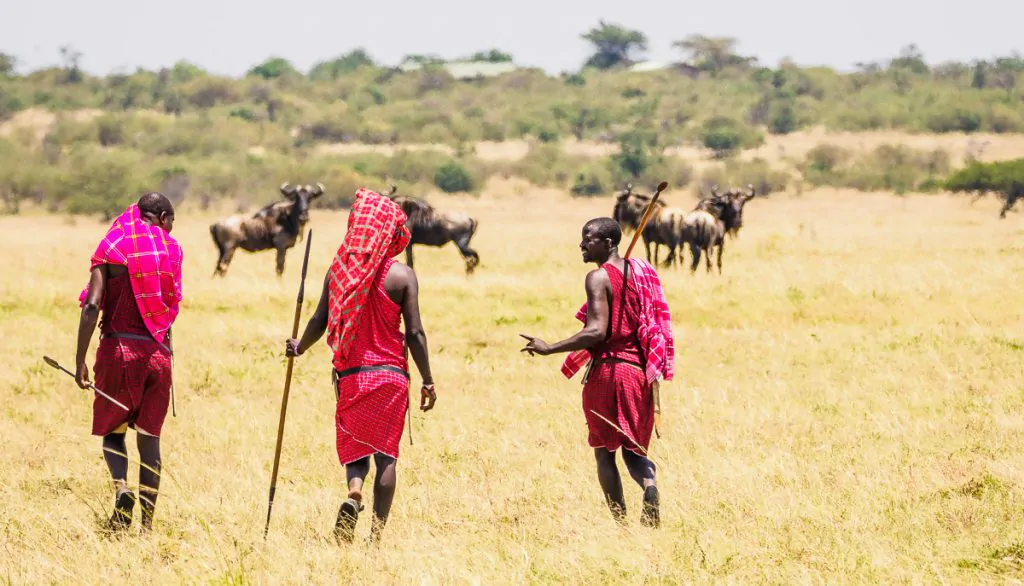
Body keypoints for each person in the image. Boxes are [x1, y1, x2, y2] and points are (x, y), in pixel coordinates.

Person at [286, 187, 436, 544]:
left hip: (351, 376)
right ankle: (375, 537)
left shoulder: (338, 272)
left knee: (356, 443)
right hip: (390, 378)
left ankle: (354, 490)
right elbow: (415, 333)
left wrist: (299, 347)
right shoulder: (402, 276)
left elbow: (319, 320)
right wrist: (428, 380)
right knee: (386, 456)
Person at [520, 217, 674, 527]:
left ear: (608, 243)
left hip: (607, 373)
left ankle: (621, 526)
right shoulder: (638, 273)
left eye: (588, 239)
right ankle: (649, 485)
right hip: (638, 374)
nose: (582, 244)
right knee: (634, 450)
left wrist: (550, 347)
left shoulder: (597, 277)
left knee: (604, 452)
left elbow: (596, 331)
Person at [75, 192, 183, 532]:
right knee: (150, 440)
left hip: (118, 353)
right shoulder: (170, 250)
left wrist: (79, 359)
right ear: (162, 218)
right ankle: (147, 528)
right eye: (171, 221)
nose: (171, 227)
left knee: (113, 431)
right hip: (158, 358)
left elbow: (92, 305)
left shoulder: (112, 245)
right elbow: (170, 305)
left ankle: (122, 489)